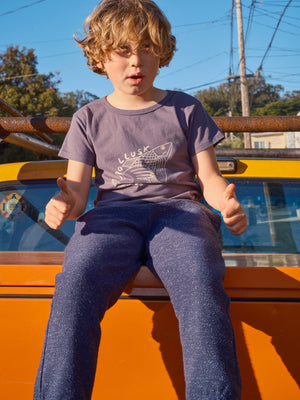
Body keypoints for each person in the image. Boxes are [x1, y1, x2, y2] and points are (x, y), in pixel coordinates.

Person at [34, 0, 247, 399]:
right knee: (74, 284)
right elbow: (78, 193)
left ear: (162, 51)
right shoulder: (88, 118)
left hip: (181, 214)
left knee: (201, 283)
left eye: (147, 48)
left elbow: (210, 177)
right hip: (112, 217)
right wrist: (62, 205)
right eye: (123, 50)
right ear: (100, 55)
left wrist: (226, 204)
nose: (137, 61)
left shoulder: (186, 108)